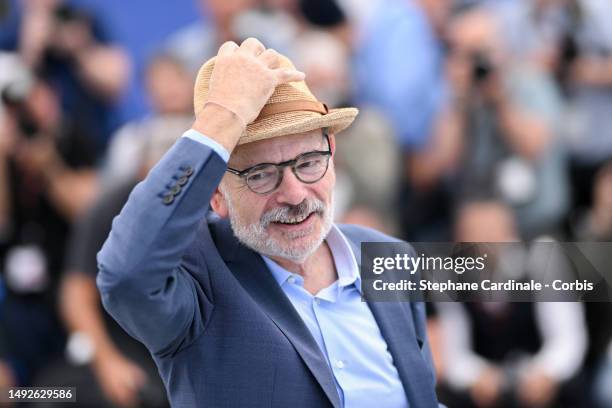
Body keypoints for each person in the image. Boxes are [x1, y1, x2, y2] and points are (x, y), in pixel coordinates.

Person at [97, 38, 441, 407]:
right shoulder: (197, 279)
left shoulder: (389, 257)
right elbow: (125, 276)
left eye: (309, 162)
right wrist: (223, 116)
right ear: (214, 192)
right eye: (260, 174)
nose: (294, 195)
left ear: (332, 154)